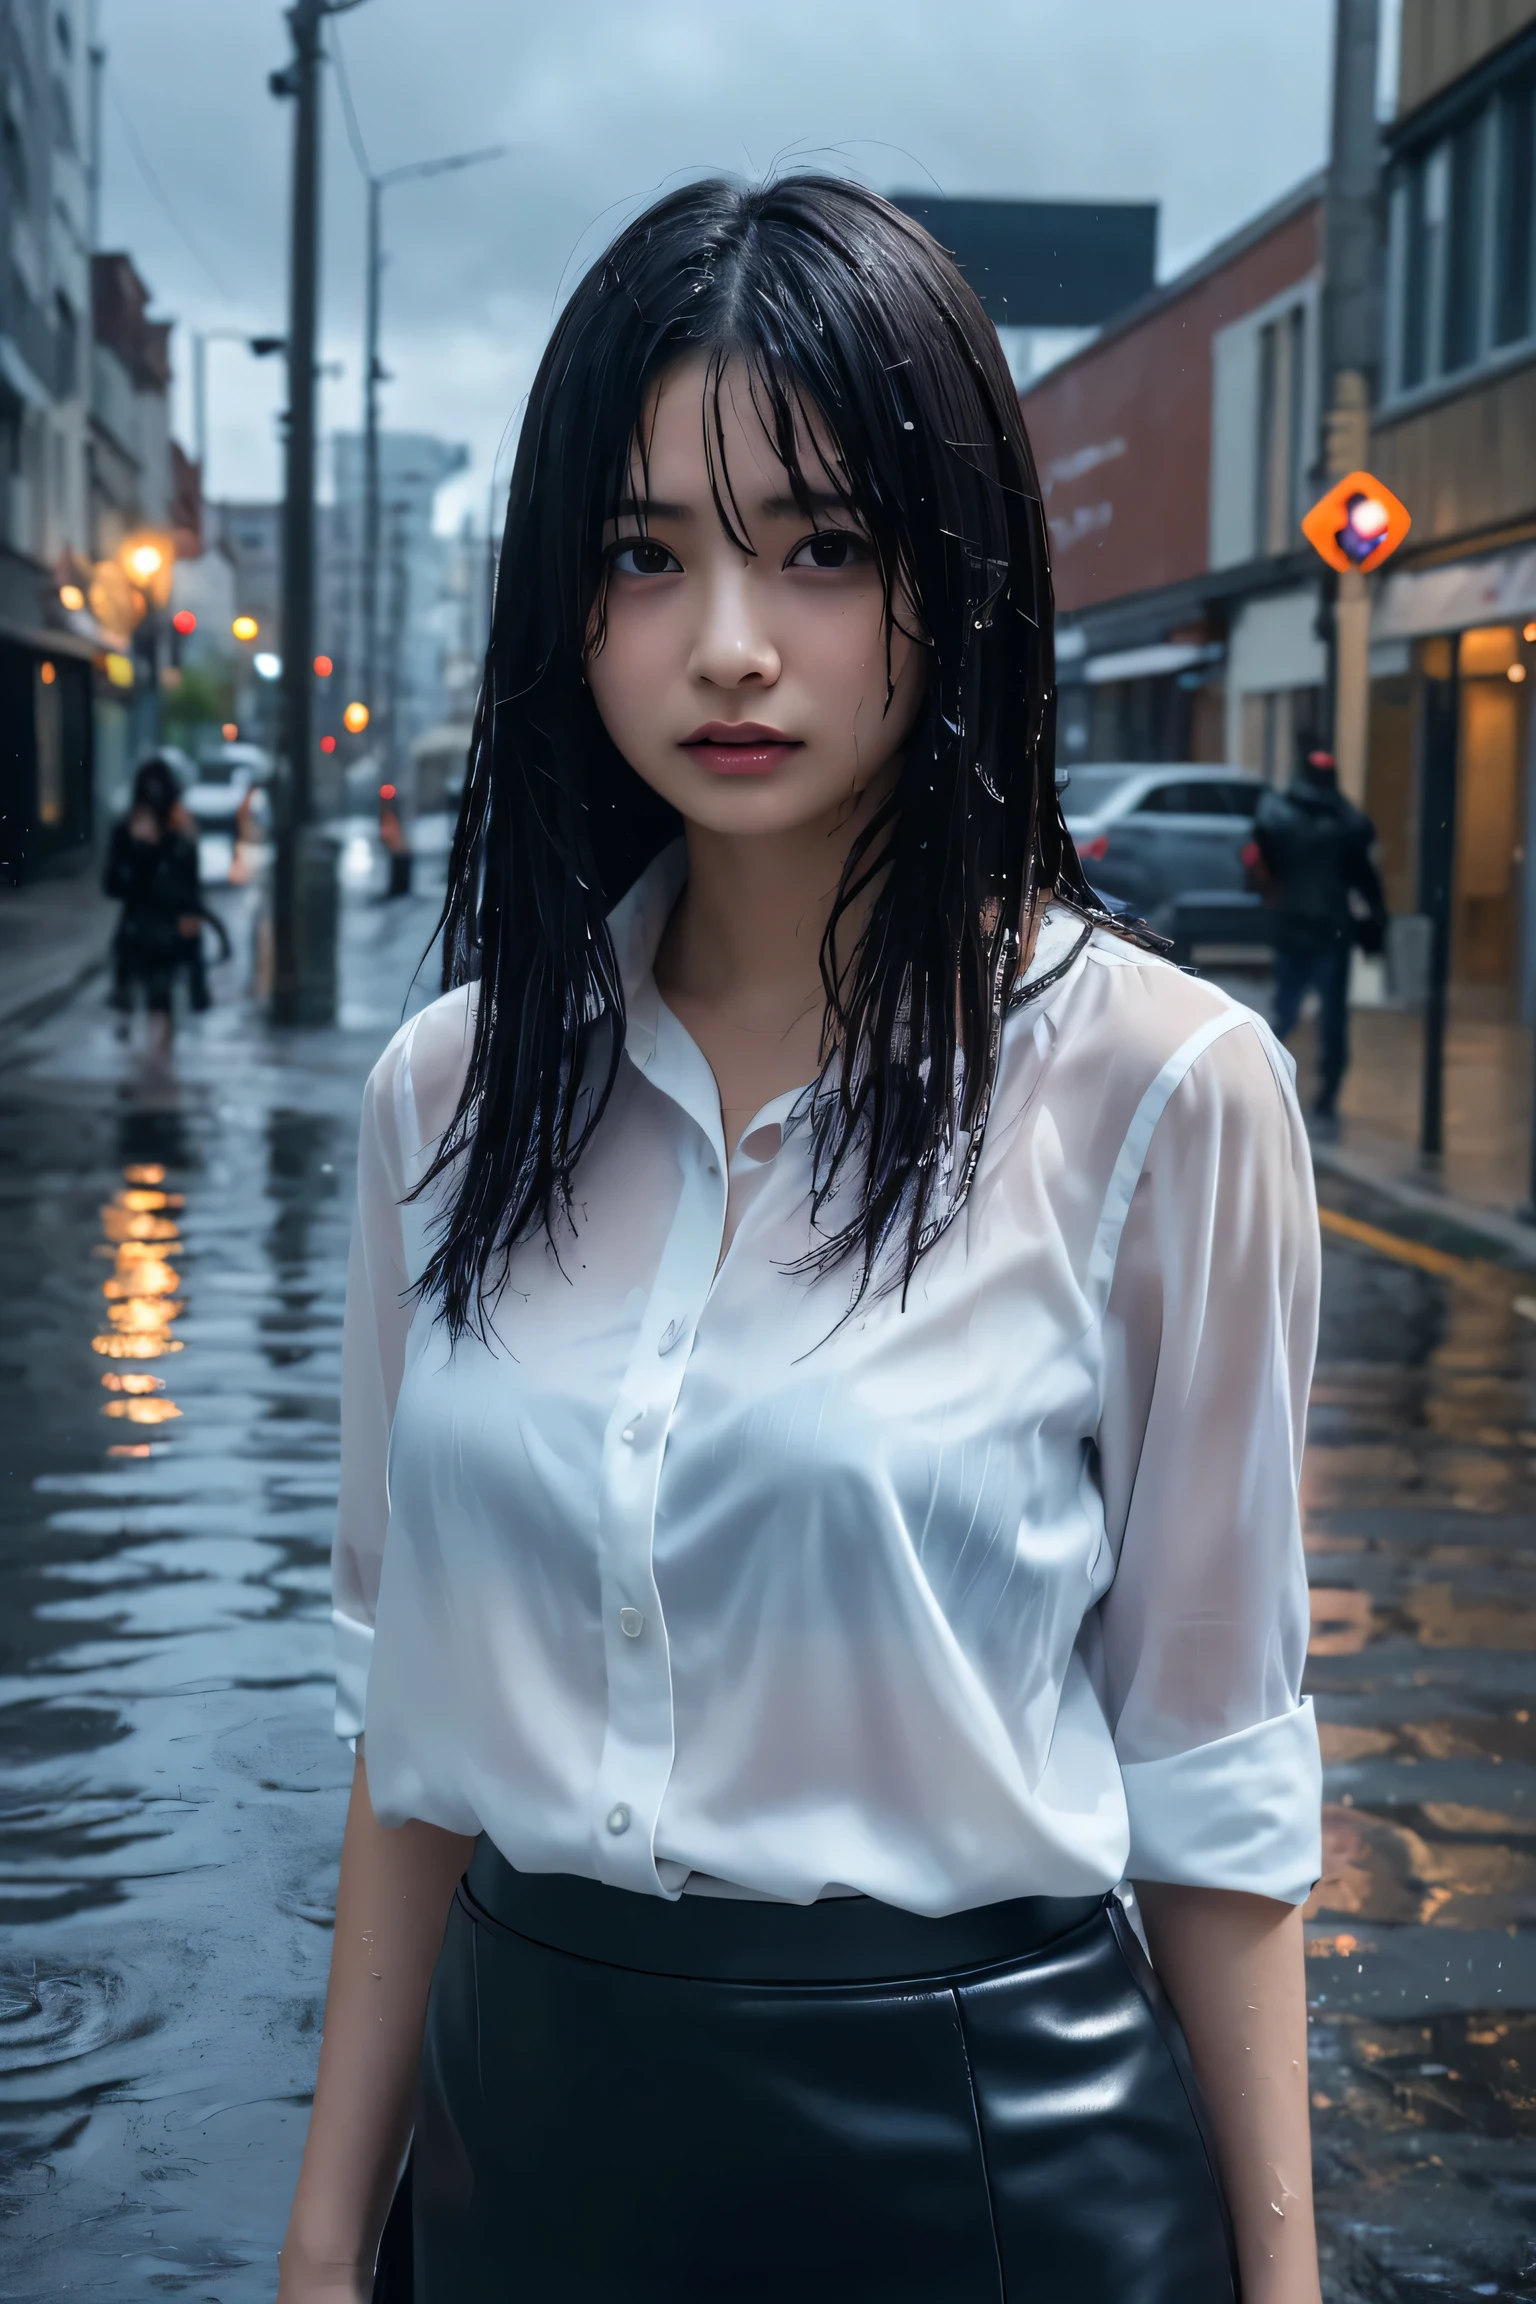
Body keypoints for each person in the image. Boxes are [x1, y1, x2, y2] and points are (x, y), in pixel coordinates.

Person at [279, 178, 1324, 2304]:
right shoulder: (449, 1100)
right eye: (645, 553)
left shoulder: (1160, 1087)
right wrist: (320, 2245)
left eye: (822, 548)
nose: (728, 642)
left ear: (953, 585)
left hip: (981, 2175)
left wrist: (1286, 2285)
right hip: (522, 2168)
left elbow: (1216, 1793)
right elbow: (409, 1742)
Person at [1250, 738, 1387, 1136]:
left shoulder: (1279, 814)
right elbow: (1365, 878)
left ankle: (1265, 1080)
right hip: (1328, 928)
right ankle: (1322, 1096)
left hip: (1305, 926)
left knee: (1288, 1011)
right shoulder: (1346, 822)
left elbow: (1264, 863)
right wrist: (1377, 921)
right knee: (1327, 1018)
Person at [103, 758, 221, 1050]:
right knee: (129, 1007)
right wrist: (138, 847)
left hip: (168, 935)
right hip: (136, 933)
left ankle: (157, 1069)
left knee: (162, 1001)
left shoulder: (179, 833)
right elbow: (113, 884)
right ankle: (138, 1065)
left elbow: (189, 888)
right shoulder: (126, 832)